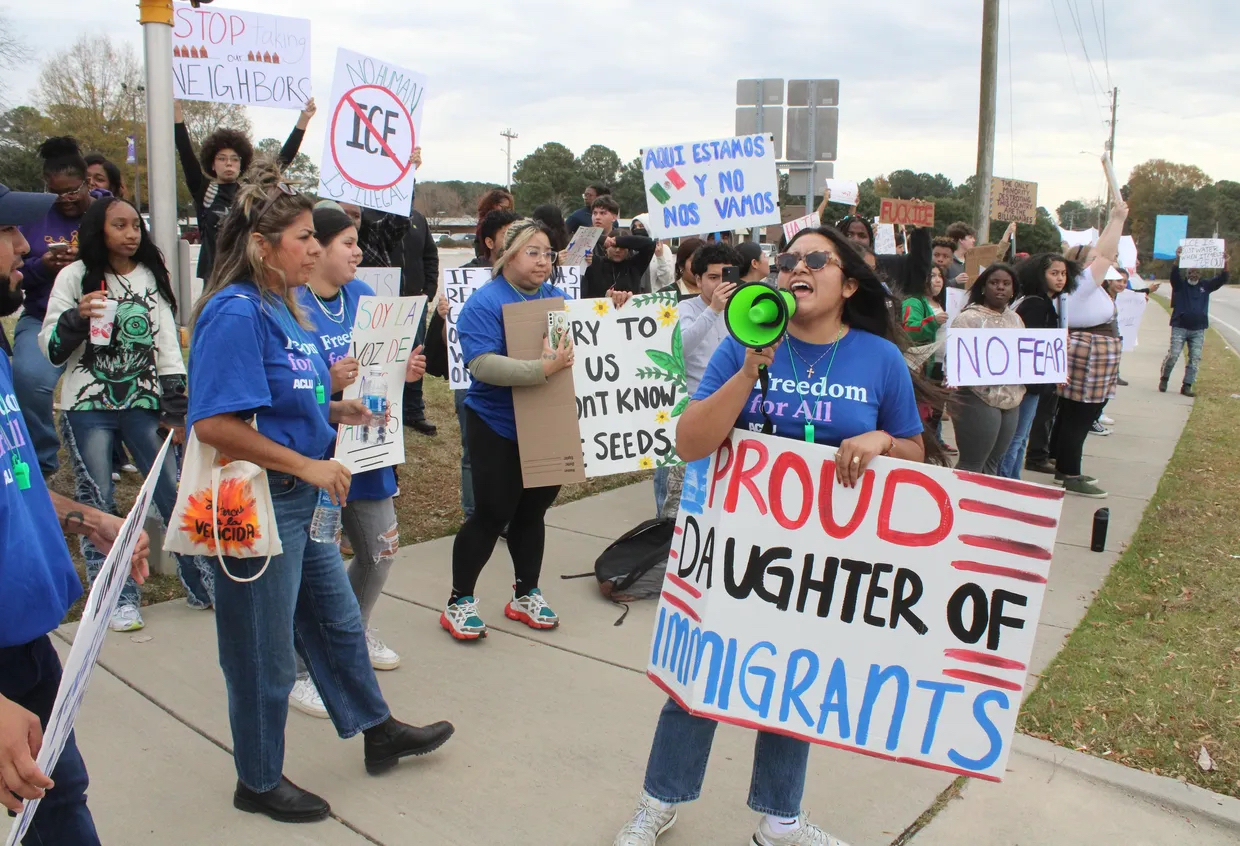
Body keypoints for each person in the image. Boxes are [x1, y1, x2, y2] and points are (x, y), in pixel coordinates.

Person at [615, 226, 929, 846]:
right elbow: (690, 442)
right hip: (732, 550)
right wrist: (750, 366)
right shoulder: (745, 342)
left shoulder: (879, 358)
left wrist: (883, 442)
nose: (797, 267)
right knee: (698, 679)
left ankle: (781, 818)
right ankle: (659, 802)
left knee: (795, 679)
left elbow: (916, 450)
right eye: (788, 259)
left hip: (823, 558)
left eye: (817, 259)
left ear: (850, 284)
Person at [186, 159, 453, 821]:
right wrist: (307, 465)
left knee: (335, 626)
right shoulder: (234, 312)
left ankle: (377, 731)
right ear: (261, 246)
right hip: (258, 502)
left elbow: (281, 404)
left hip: (299, 503)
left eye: (315, 236)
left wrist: (338, 412)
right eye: (304, 237)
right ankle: (257, 779)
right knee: (263, 654)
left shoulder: (287, 308)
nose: (317, 246)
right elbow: (217, 423)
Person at [0, 180, 155, 844]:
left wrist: (86, 518)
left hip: (24, 647)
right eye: (6, 233)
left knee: (60, 804)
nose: (20, 247)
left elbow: (17, 480)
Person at [442, 220, 631, 639]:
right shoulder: (484, 303)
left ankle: (525, 593)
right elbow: (482, 365)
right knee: (491, 515)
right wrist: (540, 370)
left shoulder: (556, 298)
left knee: (533, 512)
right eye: (533, 252)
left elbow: (590, 339)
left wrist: (613, 310)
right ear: (506, 255)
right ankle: (460, 599)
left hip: (547, 421)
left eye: (548, 253)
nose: (543, 260)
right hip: (497, 425)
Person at [38, 195, 214, 629]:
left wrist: (175, 406)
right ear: (99, 229)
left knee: (173, 493)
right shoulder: (75, 276)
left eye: (136, 225)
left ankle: (203, 586)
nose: (131, 234)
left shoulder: (151, 276)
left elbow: (167, 343)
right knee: (97, 501)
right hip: (87, 407)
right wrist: (76, 319)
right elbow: (51, 349)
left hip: (144, 406)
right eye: (120, 225)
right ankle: (117, 599)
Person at [288, 203, 428, 717]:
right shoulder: (290, 303)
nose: (358, 251)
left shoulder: (364, 296)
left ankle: (354, 629)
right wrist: (330, 378)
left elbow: (381, 368)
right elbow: (287, 387)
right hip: (311, 457)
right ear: (316, 248)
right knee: (312, 565)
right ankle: (304, 668)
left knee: (380, 549)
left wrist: (404, 372)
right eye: (347, 242)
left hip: (367, 449)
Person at [424, 209, 521, 522]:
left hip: (517, 379)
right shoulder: (465, 278)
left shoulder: (530, 279)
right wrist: (444, 316)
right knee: (474, 452)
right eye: (509, 234)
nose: (515, 242)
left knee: (513, 453)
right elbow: (448, 340)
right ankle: (473, 514)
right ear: (490, 241)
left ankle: (507, 515)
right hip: (471, 380)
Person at [14, 137, 98, 475]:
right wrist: (42, 266)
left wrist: (90, 259)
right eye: (55, 192)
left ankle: (105, 457)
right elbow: (15, 274)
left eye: (71, 191)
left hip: (98, 318)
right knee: (28, 377)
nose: (63, 200)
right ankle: (42, 460)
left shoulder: (108, 211)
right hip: (43, 315)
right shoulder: (34, 216)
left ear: (87, 182)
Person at [174, 97, 316, 281]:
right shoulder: (205, 191)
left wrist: (303, 120)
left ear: (242, 164)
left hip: (246, 273)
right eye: (222, 158)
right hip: (214, 275)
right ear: (212, 164)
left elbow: (281, 161)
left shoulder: (250, 192)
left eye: (234, 159)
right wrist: (176, 111)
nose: (229, 164)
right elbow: (185, 153)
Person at [653, 242, 741, 519]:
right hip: (689, 410)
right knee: (676, 500)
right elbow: (679, 350)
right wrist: (713, 310)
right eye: (713, 277)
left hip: (732, 411)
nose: (720, 284)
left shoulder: (743, 309)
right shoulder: (685, 308)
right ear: (698, 278)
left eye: (726, 276)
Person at [1053, 200, 1127, 498]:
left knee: (1076, 412)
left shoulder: (1082, 283)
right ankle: (1070, 471)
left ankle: (1063, 463)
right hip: (1090, 350)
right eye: (1095, 258)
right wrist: (1119, 219)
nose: (1105, 260)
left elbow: (1103, 249)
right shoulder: (1080, 282)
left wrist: (1112, 221)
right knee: (1081, 413)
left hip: (1094, 349)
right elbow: (1107, 252)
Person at [999, 253, 1074, 479]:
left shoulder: (1039, 301)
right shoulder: (1036, 304)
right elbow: (1031, 345)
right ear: (1040, 276)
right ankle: (1005, 483)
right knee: (1016, 438)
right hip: (1028, 382)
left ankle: (1013, 480)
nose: (1060, 279)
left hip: (1031, 381)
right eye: (1054, 274)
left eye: (1063, 274)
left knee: (1020, 439)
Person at [948, 264, 1026, 475]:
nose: (1000, 288)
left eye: (1006, 284)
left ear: (1013, 290)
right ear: (983, 287)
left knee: (993, 463)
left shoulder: (1016, 319)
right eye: (994, 283)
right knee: (972, 464)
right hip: (977, 395)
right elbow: (955, 358)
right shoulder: (967, 318)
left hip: (1012, 398)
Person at [1160, 246, 1228, 397]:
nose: (1194, 275)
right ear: (1187, 273)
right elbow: (1174, 275)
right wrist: (1177, 259)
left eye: (1197, 272)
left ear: (1201, 274)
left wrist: (1225, 263)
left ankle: (1187, 385)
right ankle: (1165, 377)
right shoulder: (1180, 285)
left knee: (1195, 358)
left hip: (1198, 329)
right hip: (1180, 326)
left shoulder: (1205, 286)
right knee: (1174, 354)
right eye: (1191, 272)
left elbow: (1222, 279)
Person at [834, 209, 931, 299]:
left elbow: (917, 264)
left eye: (862, 235)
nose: (855, 240)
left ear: (871, 241)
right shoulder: (827, 265)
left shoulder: (886, 264)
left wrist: (920, 232)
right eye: (849, 235)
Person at [584, 197, 655, 298]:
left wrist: (617, 241)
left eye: (622, 248)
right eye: (614, 247)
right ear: (606, 248)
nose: (618, 250)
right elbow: (579, 241)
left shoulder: (634, 266)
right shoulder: (596, 262)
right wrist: (602, 239)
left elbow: (650, 244)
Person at [632, 213, 674, 292]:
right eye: (634, 227)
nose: (637, 229)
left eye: (641, 226)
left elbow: (666, 280)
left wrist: (660, 257)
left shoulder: (663, 249)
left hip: (654, 298)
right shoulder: (631, 250)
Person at [473, 188, 514, 257]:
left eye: (508, 209)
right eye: (503, 207)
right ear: (493, 205)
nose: (506, 211)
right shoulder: (484, 223)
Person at [944, 221, 975, 287]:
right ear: (961, 240)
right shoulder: (946, 260)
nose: (974, 240)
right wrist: (955, 281)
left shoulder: (972, 261)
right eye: (970, 237)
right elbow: (937, 285)